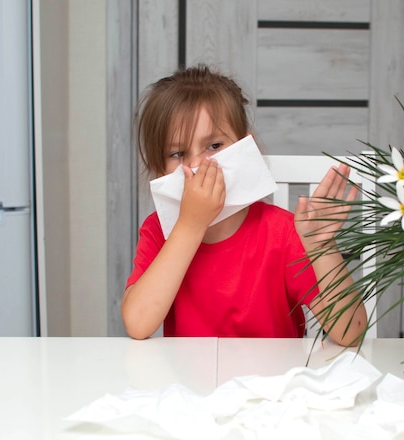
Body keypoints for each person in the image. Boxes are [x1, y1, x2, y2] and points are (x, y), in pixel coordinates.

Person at [121, 64, 367, 346]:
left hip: (273, 386)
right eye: (178, 153)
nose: (199, 165)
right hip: (189, 387)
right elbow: (138, 324)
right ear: (159, 168)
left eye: (214, 146)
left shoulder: (282, 232)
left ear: (244, 147)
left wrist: (322, 248)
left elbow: (351, 332)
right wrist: (191, 224)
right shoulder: (157, 232)